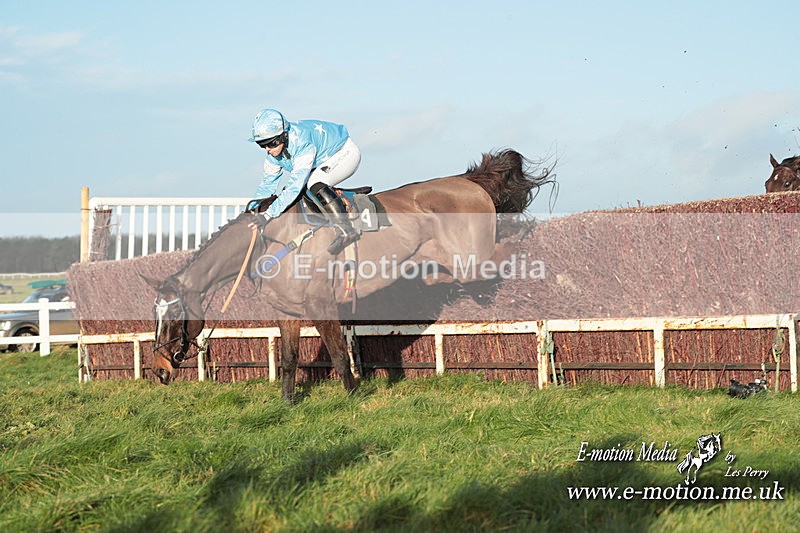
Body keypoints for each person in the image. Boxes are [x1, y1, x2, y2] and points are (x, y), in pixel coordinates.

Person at [248, 108, 361, 254]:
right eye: (262, 145)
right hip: (322, 159)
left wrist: (269, 214)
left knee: (314, 183)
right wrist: (251, 212)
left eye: (270, 144)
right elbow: (267, 186)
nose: (267, 150)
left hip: (345, 152)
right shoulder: (272, 156)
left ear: (282, 137)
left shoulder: (302, 144)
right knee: (307, 189)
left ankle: (346, 230)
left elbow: (294, 186)